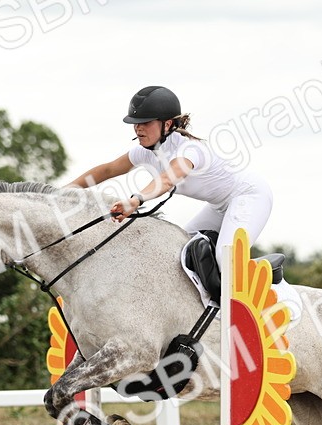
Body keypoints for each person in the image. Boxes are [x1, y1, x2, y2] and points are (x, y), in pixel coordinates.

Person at [65, 86, 275, 283]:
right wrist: (64, 192)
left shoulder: (190, 150)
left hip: (249, 196)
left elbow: (167, 179)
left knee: (225, 258)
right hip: (219, 207)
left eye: (145, 122)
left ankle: (273, 282)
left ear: (167, 125)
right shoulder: (144, 151)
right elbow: (108, 170)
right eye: (135, 123)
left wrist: (135, 200)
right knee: (178, 253)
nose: (138, 128)